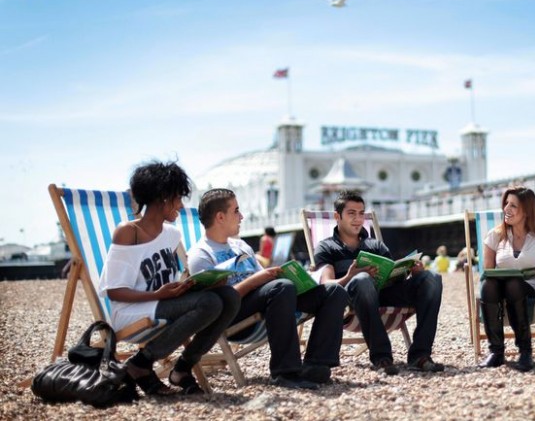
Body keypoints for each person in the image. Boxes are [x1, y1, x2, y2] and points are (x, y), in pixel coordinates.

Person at [98, 161, 240, 396]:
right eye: (178, 198)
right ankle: (141, 362)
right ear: (163, 197)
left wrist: (200, 283)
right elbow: (114, 291)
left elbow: (176, 280)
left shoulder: (172, 235)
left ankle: (182, 368)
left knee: (229, 296)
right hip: (130, 311)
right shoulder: (128, 232)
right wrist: (157, 294)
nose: (182, 206)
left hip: (163, 304)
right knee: (210, 302)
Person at [188, 189, 349, 389]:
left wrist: (292, 277)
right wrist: (257, 280)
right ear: (220, 217)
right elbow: (214, 304)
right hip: (233, 315)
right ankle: (285, 372)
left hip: (270, 303)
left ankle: (316, 365)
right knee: (281, 287)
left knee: (333, 293)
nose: (242, 216)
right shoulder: (200, 255)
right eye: (236, 211)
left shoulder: (241, 246)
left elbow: (265, 282)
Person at [315, 189, 444, 375]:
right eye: (351, 213)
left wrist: (412, 272)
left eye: (361, 213)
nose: (358, 219)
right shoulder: (327, 247)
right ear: (337, 216)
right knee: (362, 280)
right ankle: (381, 356)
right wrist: (349, 276)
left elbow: (392, 273)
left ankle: (420, 355)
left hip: (385, 293)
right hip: (352, 300)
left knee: (432, 279)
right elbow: (326, 285)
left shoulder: (375, 245)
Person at [478, 187, 535, 371]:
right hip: (498, 293)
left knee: (514, 284)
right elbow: (487, 272)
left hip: (531, 291)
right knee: (488, 285)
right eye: (506, 204)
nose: (507, 208)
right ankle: (496, 352)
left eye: (513, 205)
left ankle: (525, 351)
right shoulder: (495, 236)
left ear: (527, 210)